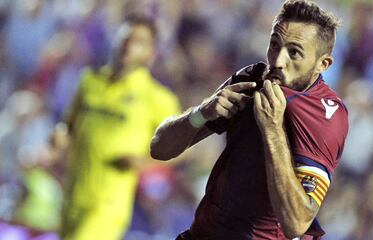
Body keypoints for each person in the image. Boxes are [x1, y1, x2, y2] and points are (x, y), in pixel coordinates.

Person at [150, 0, 348, 239]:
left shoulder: (326, 115)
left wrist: (272, 129)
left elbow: (296, 222)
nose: (277, 61)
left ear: (322, 64)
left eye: (294, 52)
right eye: (275, 44)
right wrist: (202, 113)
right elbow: (159, 148)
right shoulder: (252, 79)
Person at [51, 15, 181, 240]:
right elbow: (68, 124)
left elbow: (182, 146)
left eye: (139, 41)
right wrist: (60, 135)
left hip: (107, 206)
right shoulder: (90, 81)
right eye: (125, 37)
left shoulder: (157, 98)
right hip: (72, 195)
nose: (129, 45)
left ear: (150, 53)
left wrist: (144, 162)